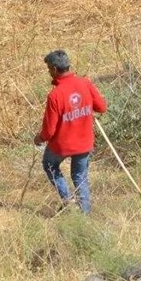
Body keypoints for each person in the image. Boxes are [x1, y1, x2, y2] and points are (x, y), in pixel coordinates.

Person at [33, 49, 108, 214]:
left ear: (54, 69)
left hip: (62, 145)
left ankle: (67, 200)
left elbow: (49, 131)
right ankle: (85, 215)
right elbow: (102, 107)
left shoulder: (55, 95)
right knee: (80, 177)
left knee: (49, 164)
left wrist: (38, 138)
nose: (48, 73)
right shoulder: (85, 83)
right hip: (84, 142)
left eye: (48, 69)